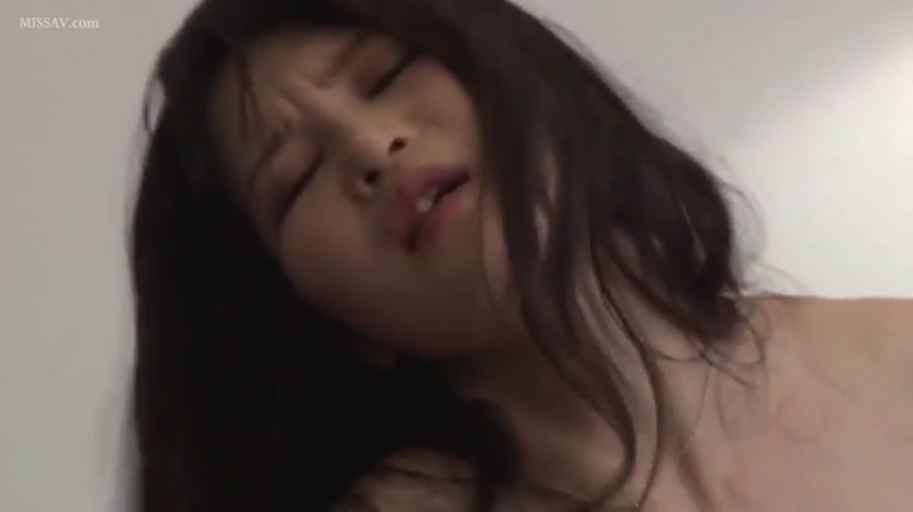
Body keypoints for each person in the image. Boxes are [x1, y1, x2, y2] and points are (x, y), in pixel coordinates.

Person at [127, 0, 913, 510]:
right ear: (324, 324)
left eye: (388, 74)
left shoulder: (892, 355)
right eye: (296, 177)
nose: (370, 146)